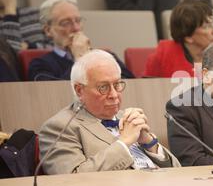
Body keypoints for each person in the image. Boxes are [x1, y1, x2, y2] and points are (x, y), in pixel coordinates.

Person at [39, 49, 180, 175]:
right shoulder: (59, 127)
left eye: (117, 84)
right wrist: (124, 143)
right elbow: (73, 178)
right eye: (103, 87)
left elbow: (177, 170)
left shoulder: (126, 117)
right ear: (79, 90)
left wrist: (149, 143)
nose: (114, 94)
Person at [28, 0, 134, 81]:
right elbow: (56, 94)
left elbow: (132, 84)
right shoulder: (40, 64)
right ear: (48, 30)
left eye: (78, 20)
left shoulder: (105, 56)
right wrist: (80, 58)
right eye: (66, 23)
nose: (76, 28)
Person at [144, 0, 213, 78]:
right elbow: (148, 87)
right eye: (206, 26)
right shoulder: (164, 53)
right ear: (188, 36)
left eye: (211, 24)